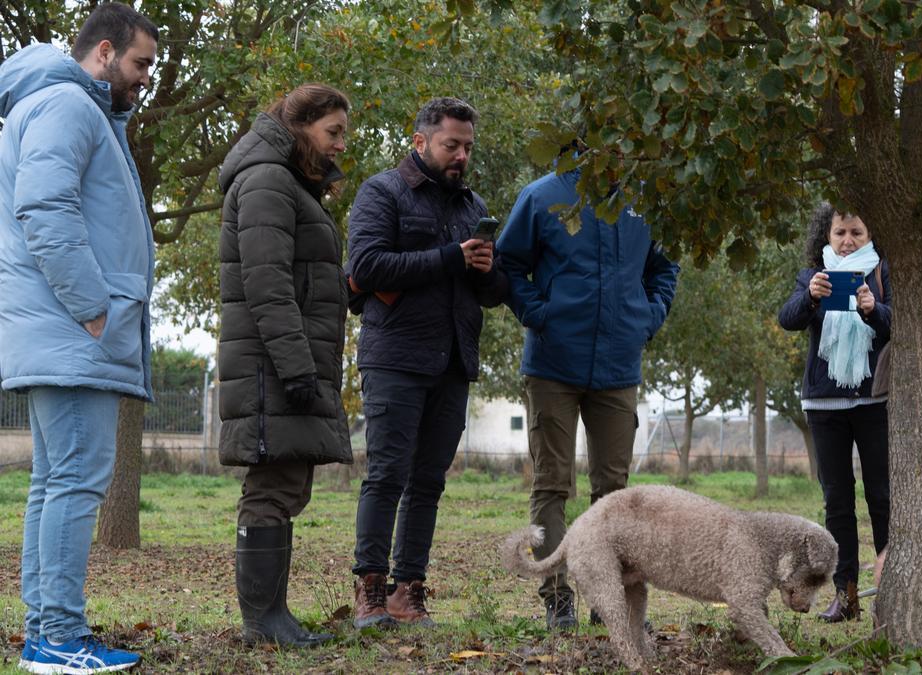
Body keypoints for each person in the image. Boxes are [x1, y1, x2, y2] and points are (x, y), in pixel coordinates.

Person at [0, 4, 157, 673]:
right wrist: (95, 307)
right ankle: (56, 638)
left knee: (58, 481)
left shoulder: (79, 109)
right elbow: (44, 207)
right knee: (73, 480)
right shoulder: (67, 105)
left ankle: (50, 631)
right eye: (140, 62)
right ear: (102, 51)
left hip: (63, 329)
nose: (146, 77)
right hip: (72, 329)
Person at [496, 160, 679, 630]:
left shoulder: (645, 198)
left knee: (615, 493)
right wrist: (540, 314)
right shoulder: (543, 196)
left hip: (618, 366)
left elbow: (664, 265)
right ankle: (556, 600)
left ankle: (609, 602)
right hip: (553, 363)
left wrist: (648, 316)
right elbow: (508, 264)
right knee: (552, 484)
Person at [346, 97, 507, 629]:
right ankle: (370, 590)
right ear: (420, 142)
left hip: (454, 361)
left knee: (429, 481)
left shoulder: (471, 204)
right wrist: (450, 257)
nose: (460, 155)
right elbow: (366, 265)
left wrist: (484, 268)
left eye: (467, 147)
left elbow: (489, 293)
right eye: (450, 145)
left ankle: (407, 590)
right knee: (387, 474)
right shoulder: (381, 192)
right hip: (394, 356)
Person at [216, 83, 354, 647]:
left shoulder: (288, 183)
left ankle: (272, 617)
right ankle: (264, 623)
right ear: (300, 126)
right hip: (273, 364)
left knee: (286, 481)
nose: (342, 145)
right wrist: (297, 370)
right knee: (272, 484)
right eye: (334, 132)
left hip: (285, 360)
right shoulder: (269, 180)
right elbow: (268, 287)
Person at [777, 203, 891, 622]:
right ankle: (846, 597)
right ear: (827, 236)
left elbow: (898, 323)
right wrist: (810, 297)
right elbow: (786, 318)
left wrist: (872, 308)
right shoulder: (813, 275)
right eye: (840, 232)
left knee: (882, 497)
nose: (847, 241)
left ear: (870, 235)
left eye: (856, 233)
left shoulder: (881, 273)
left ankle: (888, 589)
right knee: (837, 502)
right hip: (824, 402)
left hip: (874, 399)